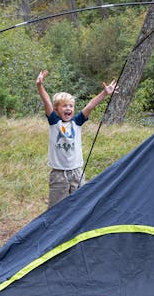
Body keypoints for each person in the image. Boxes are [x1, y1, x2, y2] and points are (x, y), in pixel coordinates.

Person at [36, 70, 117, 207]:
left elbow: (90, 105)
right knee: (56, 208)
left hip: (77, 172)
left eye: (71, 106)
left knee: (79, 206)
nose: (68, 108)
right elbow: (47, 102)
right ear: (57, 109)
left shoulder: (77, 122)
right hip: (58, 174)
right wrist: (39, 85)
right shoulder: (55, 122)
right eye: (64, 106)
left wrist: (105, 93)